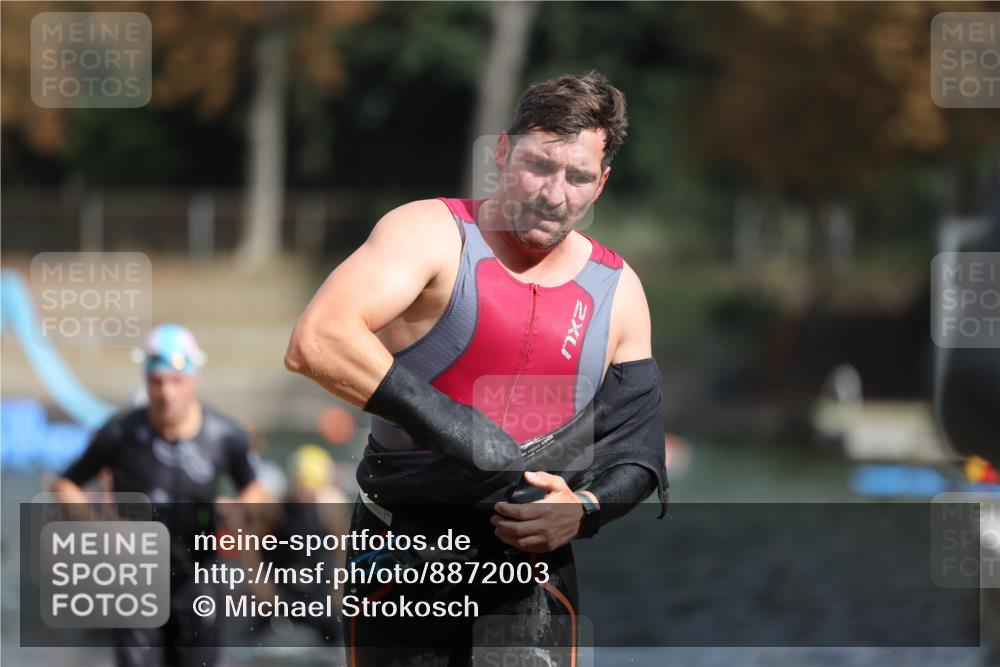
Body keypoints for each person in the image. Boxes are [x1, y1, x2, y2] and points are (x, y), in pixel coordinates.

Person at [285, 71, 668, 666]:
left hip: (529, 574)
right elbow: (318, 340)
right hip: (403, 556)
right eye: (539, 165)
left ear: (602, 183)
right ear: (500, 153)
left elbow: (639, 452)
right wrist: (466, 433)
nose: (554, 193)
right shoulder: (431, 235)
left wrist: (584, 510)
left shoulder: (619, 291)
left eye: (579, 177)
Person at [50, 323, 270, 667]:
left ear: (194, 381)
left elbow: (256, 489)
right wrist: (97, 526)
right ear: (146, 382)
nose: (166, 393)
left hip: (200, 576)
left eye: (176, 382)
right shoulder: (120, 432)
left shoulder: (224, 434)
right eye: (157, 382)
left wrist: (240, 510)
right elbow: (65, 484)